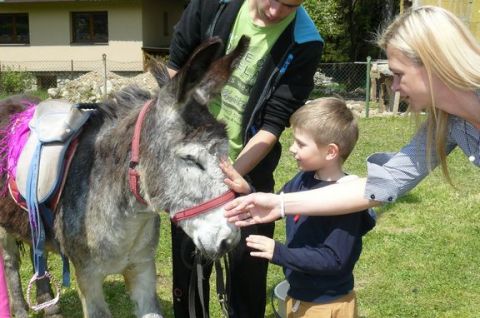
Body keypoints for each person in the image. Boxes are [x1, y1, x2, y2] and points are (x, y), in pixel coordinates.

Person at [224, 5, 480, 228]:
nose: (394, 88)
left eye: (399, 74)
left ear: (433, 64)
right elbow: (383, 184)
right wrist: (280, 204)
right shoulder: (447, 122)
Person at [166, 0, 323, 317]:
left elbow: (271, 126)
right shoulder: (213, 6)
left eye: (291, 5)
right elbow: (175, 68)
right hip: (191, 166)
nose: (277, 11)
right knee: (189, 272)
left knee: (247, 273)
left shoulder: (305, 42)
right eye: (274, 0)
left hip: (248, 174)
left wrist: (229, 178)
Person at [221, 97, 375, 318]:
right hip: (298, 296)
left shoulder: (347, 200)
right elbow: (278, 204)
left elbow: (334, 260)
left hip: (326, 305)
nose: (292, 148)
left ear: (331, 152)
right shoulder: (303, 179)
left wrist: (280, 252)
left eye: (301, 144)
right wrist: (248, 191)